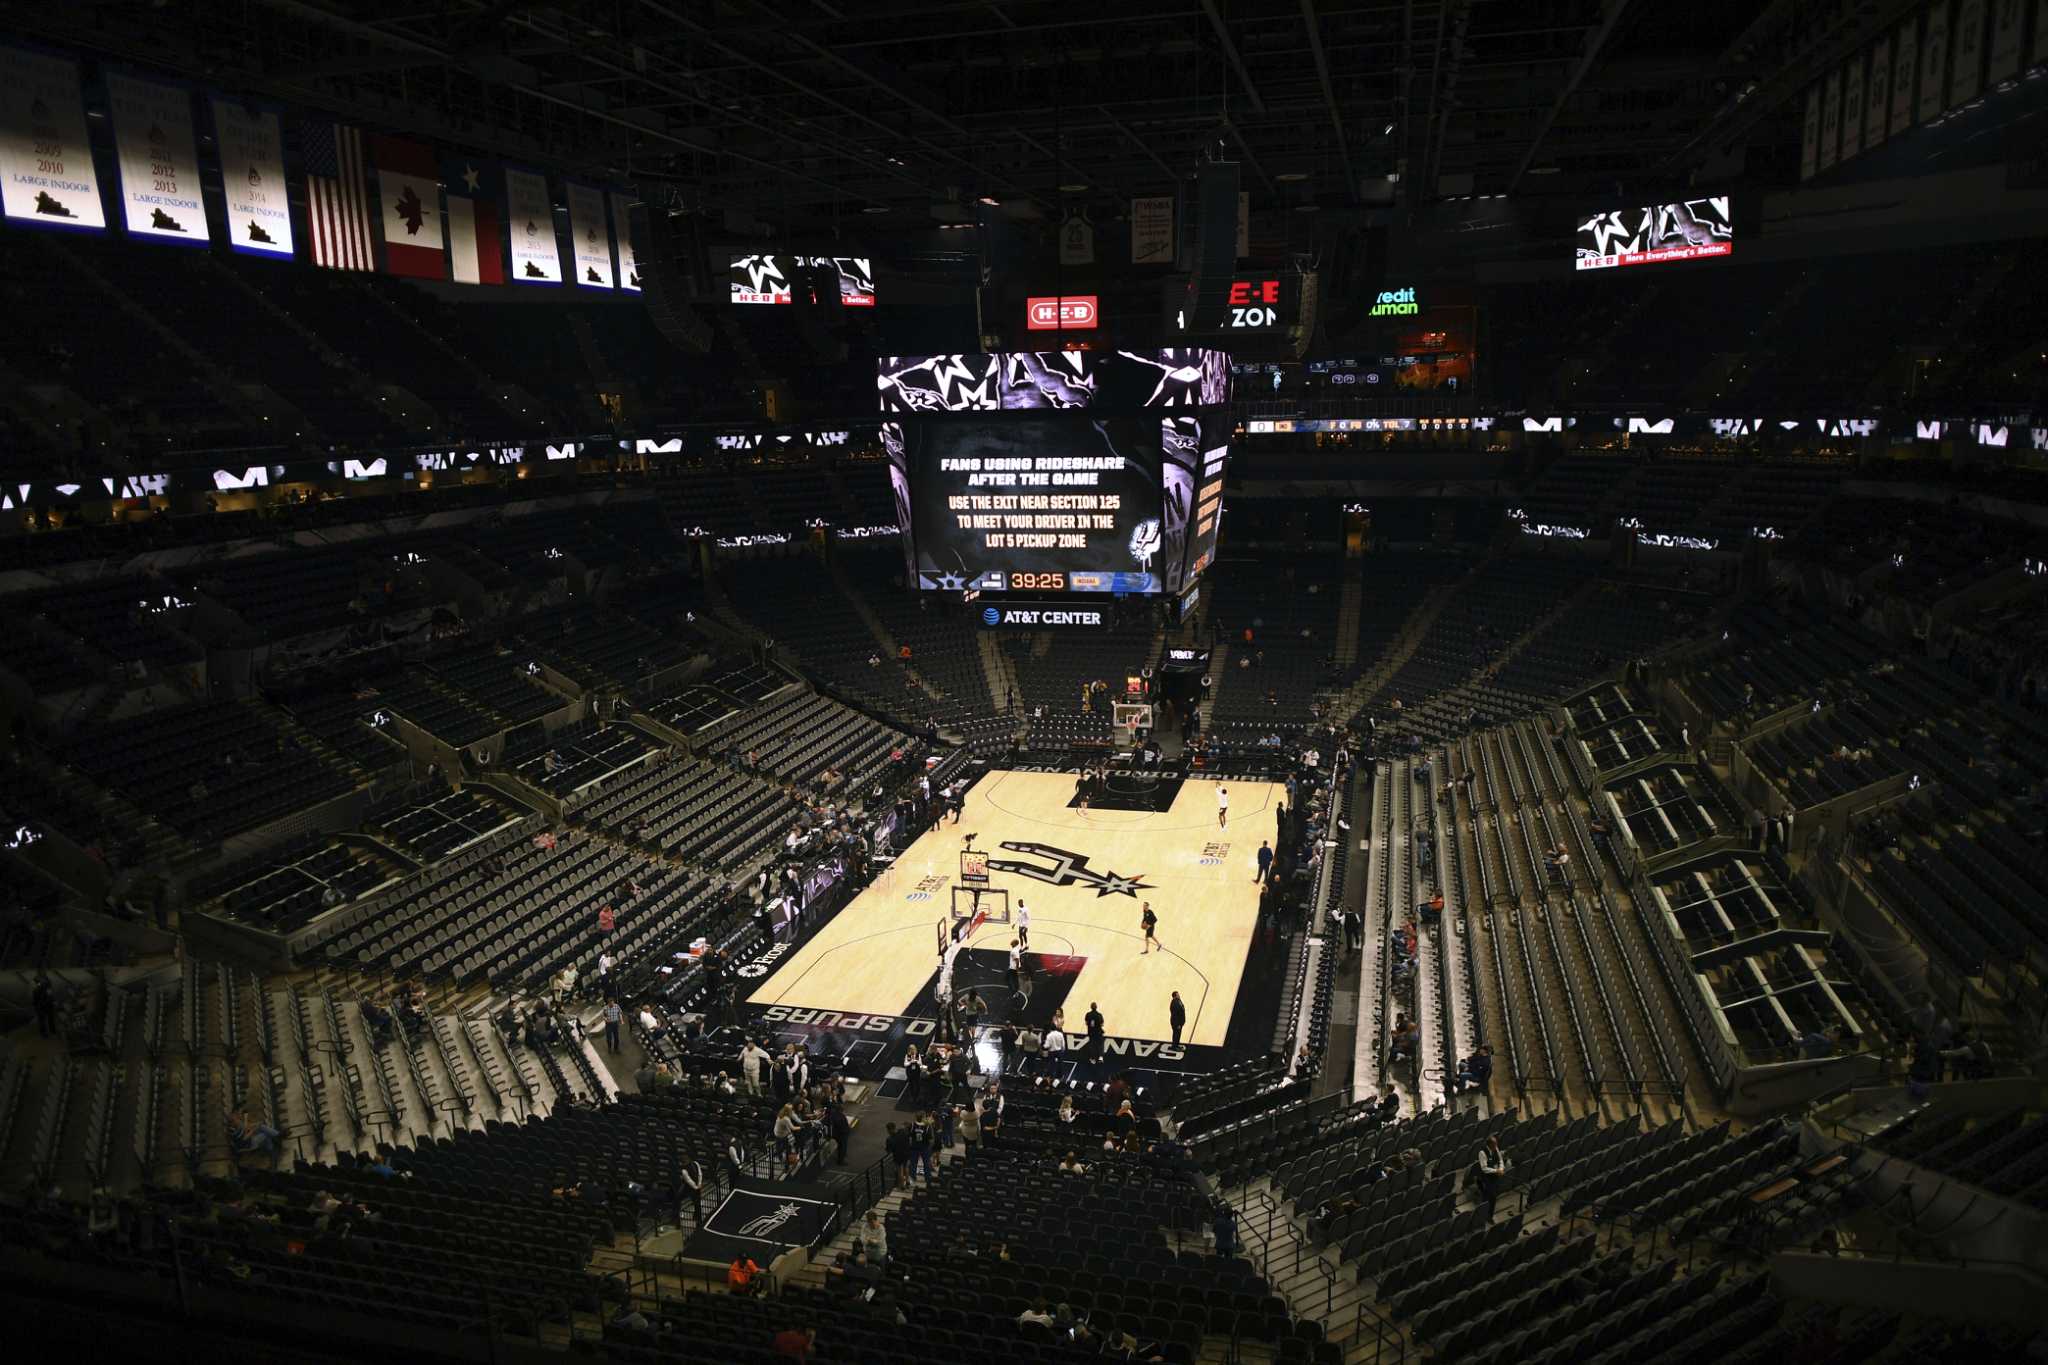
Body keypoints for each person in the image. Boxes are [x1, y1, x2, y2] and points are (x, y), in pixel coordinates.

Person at [1474, 1136, 1509, 1212]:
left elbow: (1500, 1160)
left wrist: (1501, 1169)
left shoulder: (1496, 1149)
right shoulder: (1482, 1153)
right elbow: (1484, 1169)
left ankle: (1488, 1212)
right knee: (1490, 1196)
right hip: (1486, 1176)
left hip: (1495, 1174)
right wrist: (1496, 1171)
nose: (1496, 1146)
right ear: (1489, 1145)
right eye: (1494, 1144)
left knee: (1493, 1195)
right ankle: (1485, 1213)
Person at [678, 1158, 703, 1225]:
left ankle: (698, 1218)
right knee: (695, 1201)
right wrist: (696, 1187)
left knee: (697, 1202)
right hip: (690, 1187)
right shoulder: (684, 1170)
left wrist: (699, 1184)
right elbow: (688, 1180)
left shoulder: (695, 1163)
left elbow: (700, 1174)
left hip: (696, 1185)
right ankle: (697, 1218)